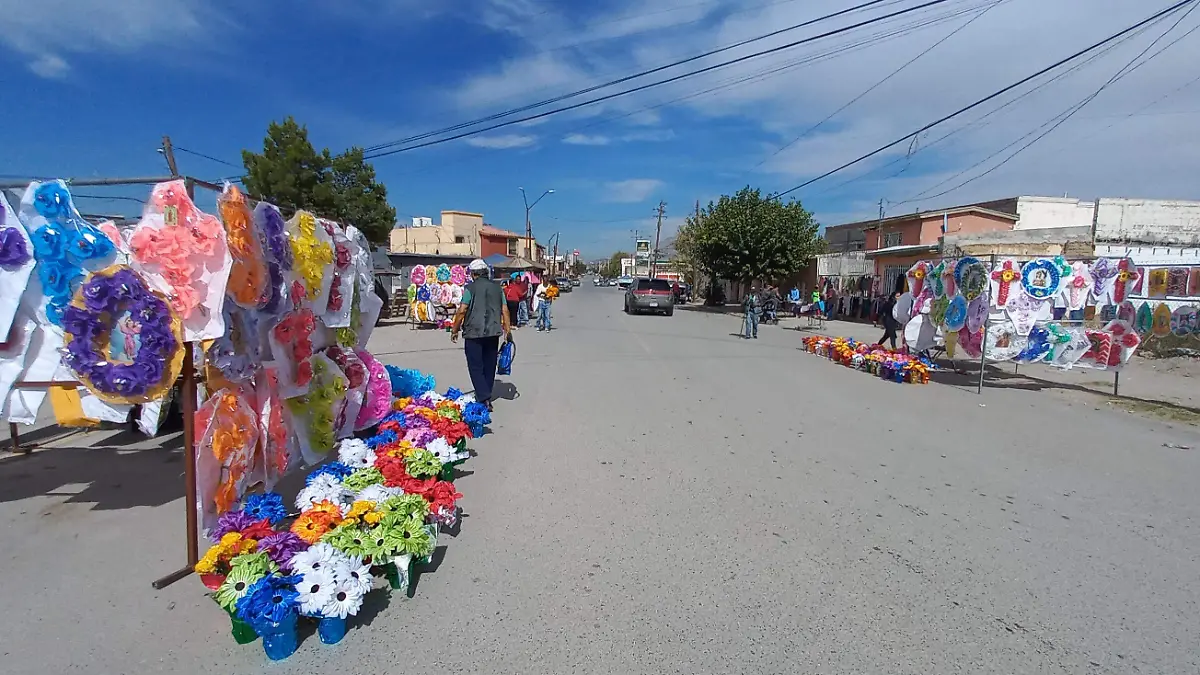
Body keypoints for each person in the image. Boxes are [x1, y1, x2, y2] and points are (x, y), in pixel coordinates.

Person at [451, 259, 510, 411]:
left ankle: (484, 398)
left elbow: (462, 310)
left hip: (473, 333)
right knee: (489, 364)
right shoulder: (498, 289)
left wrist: (455, 329)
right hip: (493, 333)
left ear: (473, 274)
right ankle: (486, 394)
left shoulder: (470, 288)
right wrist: (508, 331)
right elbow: (505, 310)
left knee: (475, 366)